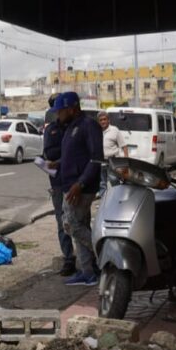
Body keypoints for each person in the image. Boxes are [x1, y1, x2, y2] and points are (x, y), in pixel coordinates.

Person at [52, 92, 104, 286]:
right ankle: (88, 271)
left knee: (70, 225)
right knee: (78, 225)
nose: (58, 115)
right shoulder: (71, 127)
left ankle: (105, 252)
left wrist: (80, 184)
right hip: (71, 185)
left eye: (61, 111)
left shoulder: (88, 125)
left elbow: (96, 158)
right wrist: (58, 164)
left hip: (81, 188)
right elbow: (75, 156)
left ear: (72, 108)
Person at [42, 93, 77, 277]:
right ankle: (69, 258)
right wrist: (65, 155)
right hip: (57, 182)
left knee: (78, 220)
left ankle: (88, 256)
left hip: (76, 182)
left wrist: (64, 156)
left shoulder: (76, 127)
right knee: (61, 221)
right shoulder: (51, 130)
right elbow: (49, 153)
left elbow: (80, 152)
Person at [97, 111, 127, 198]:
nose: (103, 122)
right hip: (100, 162)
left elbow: (124, 146)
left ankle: (118, 200)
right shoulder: (96, 131)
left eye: (104, 119)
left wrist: (126, 162)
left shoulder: (114, 130)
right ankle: (103, 203)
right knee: (102, 184)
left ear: (108, 120)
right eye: (101, 120)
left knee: (114, 182)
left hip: (112, 162)